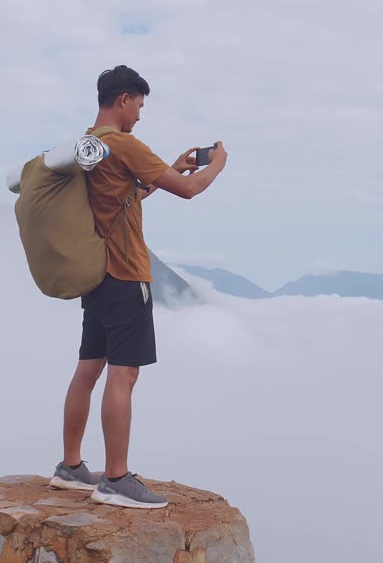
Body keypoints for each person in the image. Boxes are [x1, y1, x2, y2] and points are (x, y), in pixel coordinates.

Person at [48, 65, 228, 508]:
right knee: (123, 374)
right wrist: (218, 163)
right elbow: (189, 191)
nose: (140, 116)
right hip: (126, 275)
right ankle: (116, 478)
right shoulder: (124, 144)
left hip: (96, 276)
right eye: (140, 106)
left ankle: (70, 468)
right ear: (124, 99)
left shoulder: (86, 148)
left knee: (87, 370)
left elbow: (121, 200)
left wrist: (170, 168)